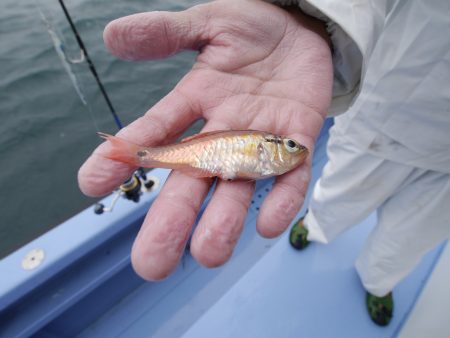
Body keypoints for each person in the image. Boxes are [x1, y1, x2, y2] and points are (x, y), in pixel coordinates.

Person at [78, 0, 450, 327]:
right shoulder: (274, 149)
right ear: (274, 146)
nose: (296, 148)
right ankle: (316, 226)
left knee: (413, 232)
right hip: (382, 104)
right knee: (340, 189)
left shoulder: (274, 154)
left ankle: (379, 281)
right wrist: (310, 14)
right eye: (287, 145)